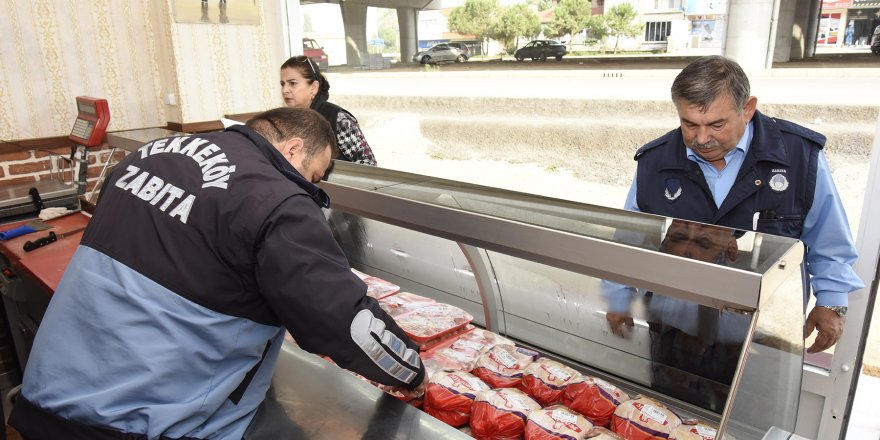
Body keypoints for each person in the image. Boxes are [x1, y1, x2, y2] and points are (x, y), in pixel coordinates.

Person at [9, 107, 426, 439]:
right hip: (143, 421)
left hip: (49, 392)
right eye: (313, 177)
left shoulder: (150, 154)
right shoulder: (276, 198)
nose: (308, 188)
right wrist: (411, 371)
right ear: (294, 149)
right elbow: (341, 320)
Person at [607, 55, 863, 355]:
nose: (701, 139)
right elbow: (629, 239)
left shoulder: (798, 157)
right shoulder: (656, 162)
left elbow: (828, 239)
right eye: (689, 124)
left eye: (716, 124)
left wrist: (831, 302)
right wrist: (618, 297)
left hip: (760, 336)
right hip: (672, 333)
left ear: (748, 108)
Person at [280, 55, 377, 166]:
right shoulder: (283, 122)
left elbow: (369, 163)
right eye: (282, 84)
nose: (285, 90)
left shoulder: (338, 119)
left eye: (292, 83)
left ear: (314, 87)